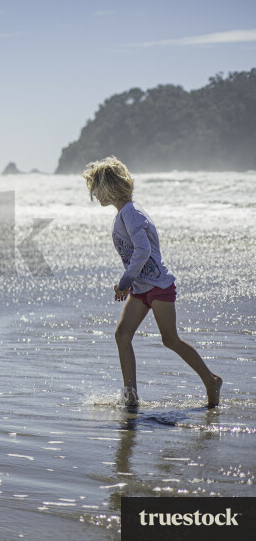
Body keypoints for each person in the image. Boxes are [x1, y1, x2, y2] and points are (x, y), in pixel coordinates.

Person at [82, 156, 221, 408]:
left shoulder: (131, 213)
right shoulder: (125, 213)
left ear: (111, 185)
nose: (94, 194)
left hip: (158, 286)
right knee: (122, 335)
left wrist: (124, 282)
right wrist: (131, 284)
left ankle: (211, 381)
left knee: (170, 339)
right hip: (141, 288)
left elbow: (142, 250)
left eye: (97, 188)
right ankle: (131, 398)